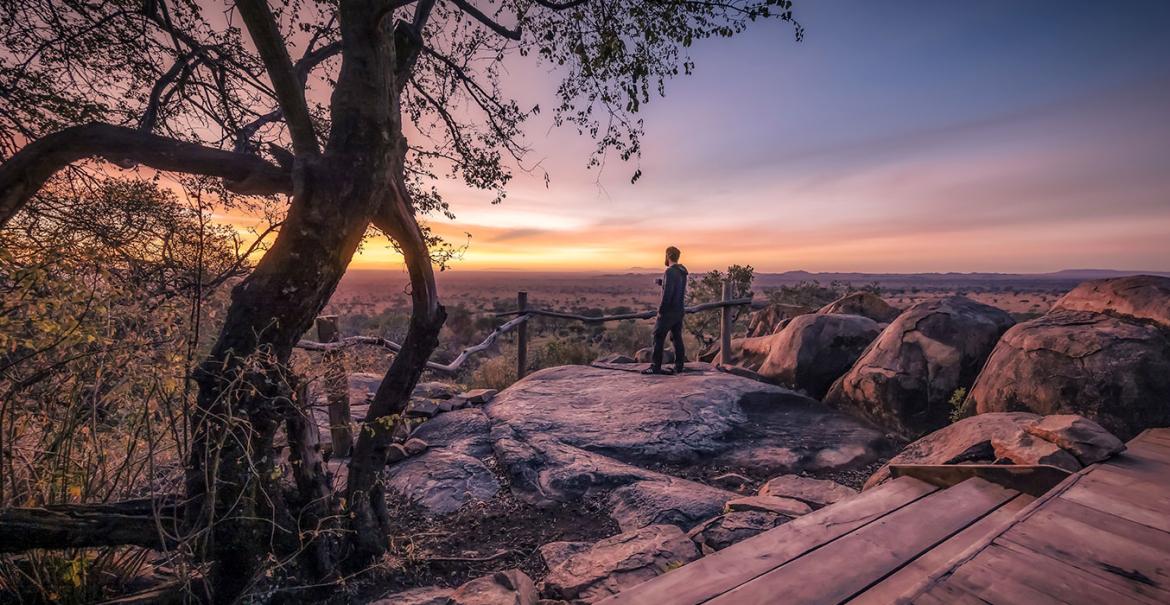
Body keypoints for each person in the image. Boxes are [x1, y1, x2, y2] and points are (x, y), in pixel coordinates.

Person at [643, 246, 688, 375]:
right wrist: (661, 282)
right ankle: (679, 366)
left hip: (668, 311)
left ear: (668, 256)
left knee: (657, 336)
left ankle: (655, 367)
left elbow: (668, 293)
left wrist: (661, 311)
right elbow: (675, 285)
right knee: (676, 338)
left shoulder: (669, 272)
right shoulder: (682, 271)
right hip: (679, 310)